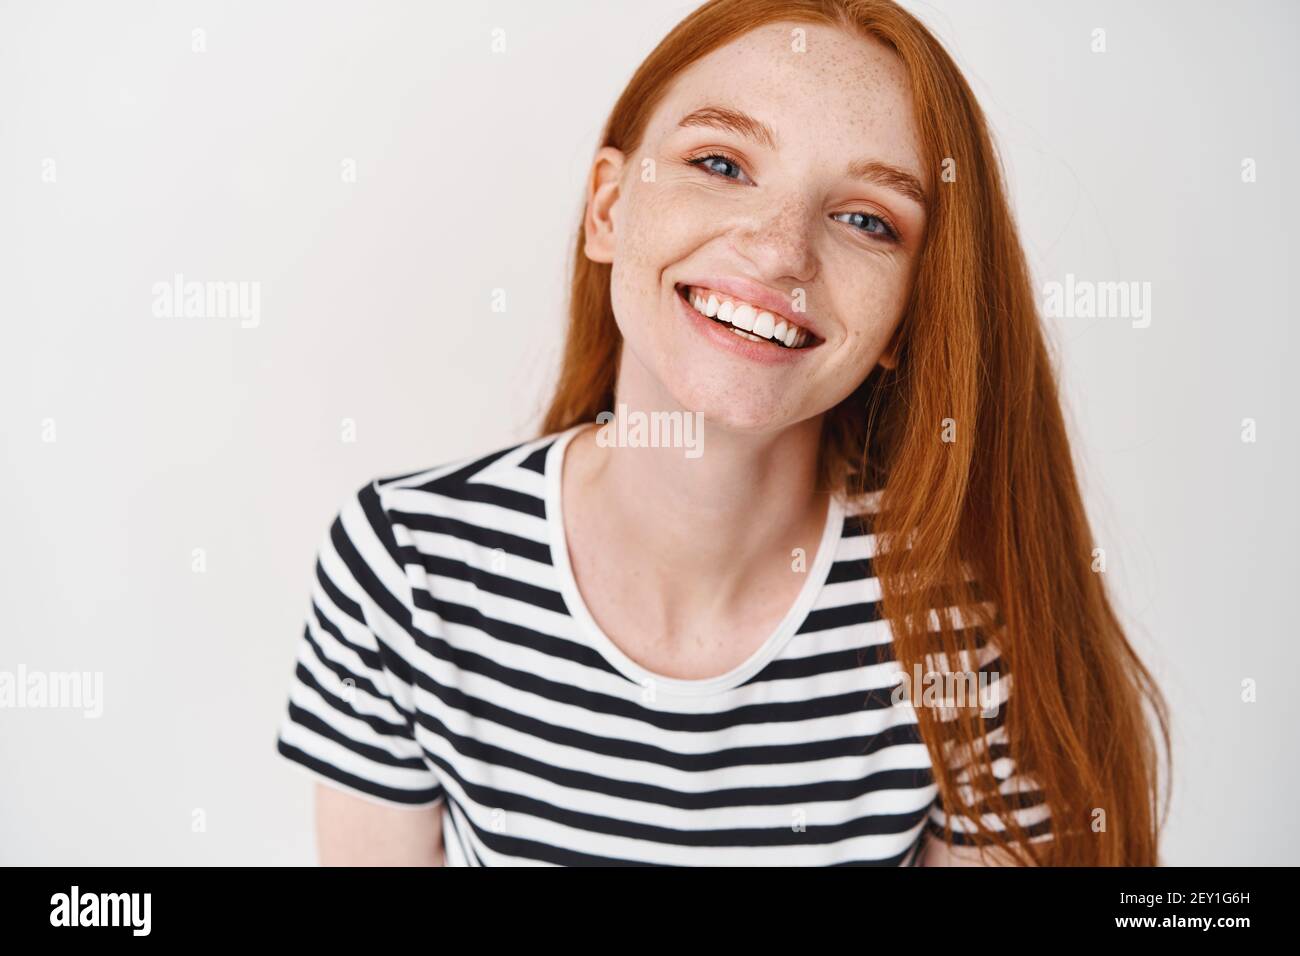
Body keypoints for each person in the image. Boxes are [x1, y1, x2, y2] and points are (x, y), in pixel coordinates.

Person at [275, 0, 1170, 866]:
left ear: (905, 318)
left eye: (866, 219)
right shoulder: (405, 566)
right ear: (608, 211)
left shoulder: (972, 629)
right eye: (721, 163)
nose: (782, 249)